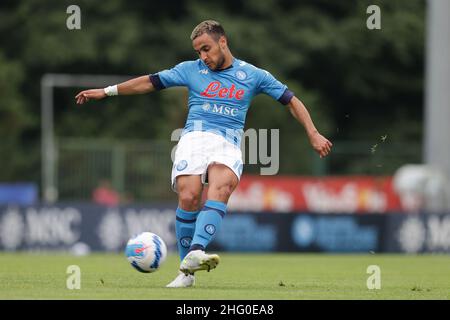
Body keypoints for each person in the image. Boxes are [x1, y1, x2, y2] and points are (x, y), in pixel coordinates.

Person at [75, 20, 332, 287]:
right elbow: (149, 82)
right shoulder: (189, 70)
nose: (203, 56)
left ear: (223, 42)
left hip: (228, 142)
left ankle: (196, 251)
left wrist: (313, 132)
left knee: (220, 187)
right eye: (198, 51)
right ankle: (186, 274)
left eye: (206, 49)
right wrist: (107, 91)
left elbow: (291, 99)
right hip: (194, 138)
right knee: (189, 196)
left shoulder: (254, 75)